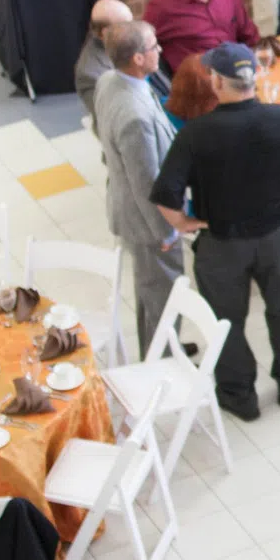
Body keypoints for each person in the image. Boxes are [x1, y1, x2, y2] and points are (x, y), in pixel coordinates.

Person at [149, 44, 280, 420]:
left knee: (226, 322)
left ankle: (239, 395)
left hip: (222, 245)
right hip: (276, 236)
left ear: (218, 82)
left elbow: (164, 195)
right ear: (254, 77)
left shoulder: (196, 134)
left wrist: (184, 224)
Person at [90, 21, 186, 355]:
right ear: (137, 59)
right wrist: (166, 231)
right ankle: (163, 362)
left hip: (127, 210)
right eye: (153, 47)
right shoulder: (135, 119)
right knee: (165, 295)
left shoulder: (108, 81)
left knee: (150, 290)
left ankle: (158, 348)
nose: (159, 50)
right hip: (148, 223)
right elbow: (146, 183)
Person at [74, 0, 137, 137]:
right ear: (105, 32)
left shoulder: (126, 40)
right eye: (127, 25)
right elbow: (115, 117)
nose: (134, 28)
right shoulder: (90, 74)